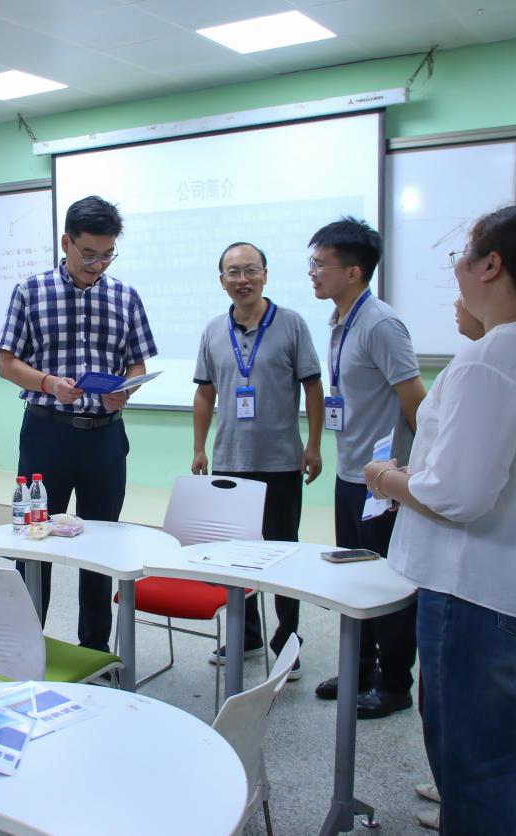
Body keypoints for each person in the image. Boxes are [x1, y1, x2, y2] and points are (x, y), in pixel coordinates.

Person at [368, 205, 516, 835]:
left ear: (491, 264)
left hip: (481, 593)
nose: (456, 271)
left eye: (461, 257)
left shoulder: (496, 356)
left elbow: (456, 495)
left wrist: (386, 479)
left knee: (475, 767)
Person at [0, 195, 157, 651]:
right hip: (46, 433)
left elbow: (137, 364)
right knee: (34, 541)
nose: (97, 265)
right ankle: (27, 647)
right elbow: (7, 364)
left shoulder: (125, 296)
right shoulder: (30, 292)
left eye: (107, 255)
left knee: (101, 545)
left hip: (104, 438)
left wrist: (124, 390)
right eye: (88, 254)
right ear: (66, 242)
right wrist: (47, 383)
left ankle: (95, 650)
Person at [308, 217, 425, 718]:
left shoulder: (380, 324)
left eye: (321, 264)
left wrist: (412, 479)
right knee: (355, 579)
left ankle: (394, 684)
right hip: (350, 475)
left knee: (388, 584)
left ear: (353, 271)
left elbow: (416, 403)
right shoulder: (339, 320)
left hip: (383, 483)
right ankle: (360, 669)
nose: (312, 272)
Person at [192, 241, 323, 673]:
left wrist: (314, 445)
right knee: (235, 555)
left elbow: (313, 387)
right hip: (230, 460)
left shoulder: (291, 323)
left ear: (265, 274)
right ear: (222, 281)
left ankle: (287, 639)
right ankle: (246, 636)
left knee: (283, 551)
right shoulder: (213, 330)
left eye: (250, 270)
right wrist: (199, 447)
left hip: (281, 460)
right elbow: (205, 392)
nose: (242, 279)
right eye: (233, 272)